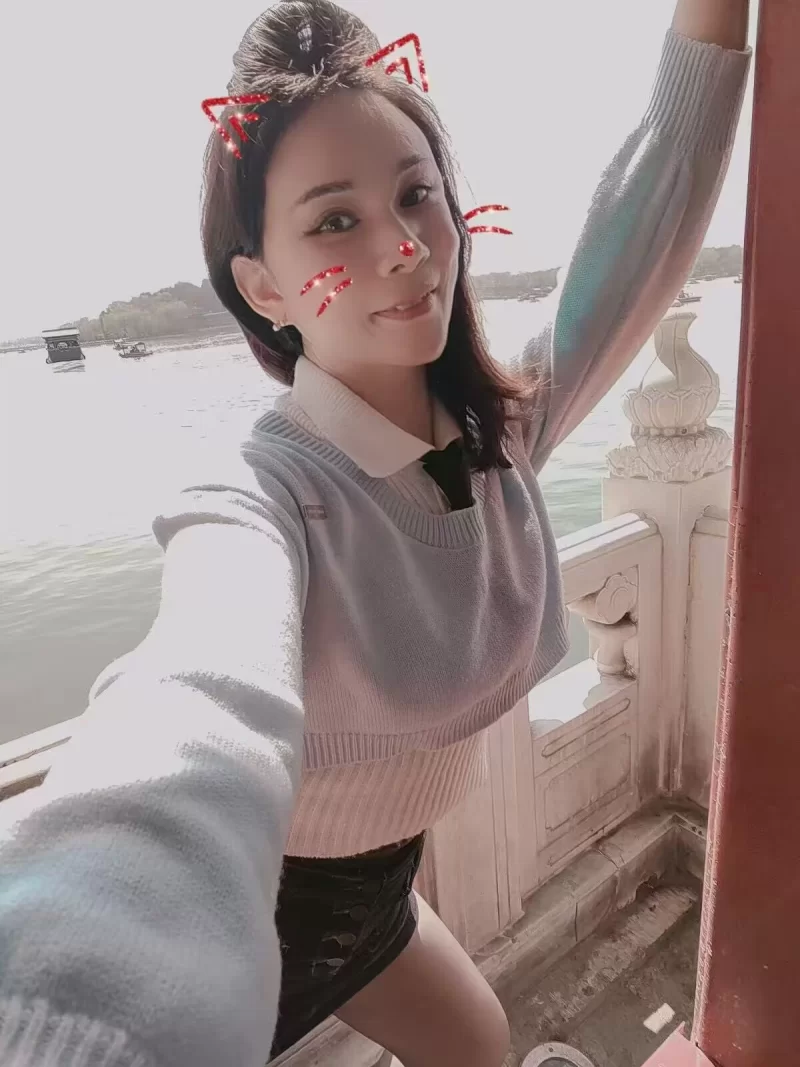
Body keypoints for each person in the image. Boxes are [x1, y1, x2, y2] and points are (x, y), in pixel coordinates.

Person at [0, 1, 750, 1065]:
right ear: (262, 285)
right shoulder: (264, 495)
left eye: (415, 194)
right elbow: (192, 698)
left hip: (383, 898)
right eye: (333, 222)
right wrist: (59, 1012)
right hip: (243, 933)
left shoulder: (499, 434)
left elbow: (651, 205)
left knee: (478, 1045)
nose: (402, 246)